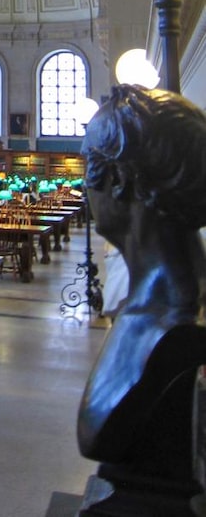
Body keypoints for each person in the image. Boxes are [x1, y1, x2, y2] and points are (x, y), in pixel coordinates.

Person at [77, 84, 206, 491]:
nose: (85, 188)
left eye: (88, 168)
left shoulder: (174, 330)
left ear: (117, 179)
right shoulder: (166, 304)